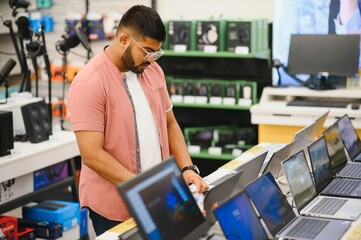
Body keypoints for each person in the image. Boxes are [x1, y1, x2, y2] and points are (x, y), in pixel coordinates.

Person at [67, 5, 208, 236]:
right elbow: (91, 154)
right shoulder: (89, 83)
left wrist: (187, 168)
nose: (151, 59)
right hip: (115, 209)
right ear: (124, 39)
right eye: (147, 51)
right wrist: (142, 187)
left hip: (160, 196)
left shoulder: (153, 71)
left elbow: (170, 123)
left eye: (156, 53)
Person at [273, 0, 361, 86]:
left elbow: (357, 62)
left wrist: (348, 5)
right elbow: (286, 54)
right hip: (299, 85)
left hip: (343, 88)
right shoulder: (294, 3)